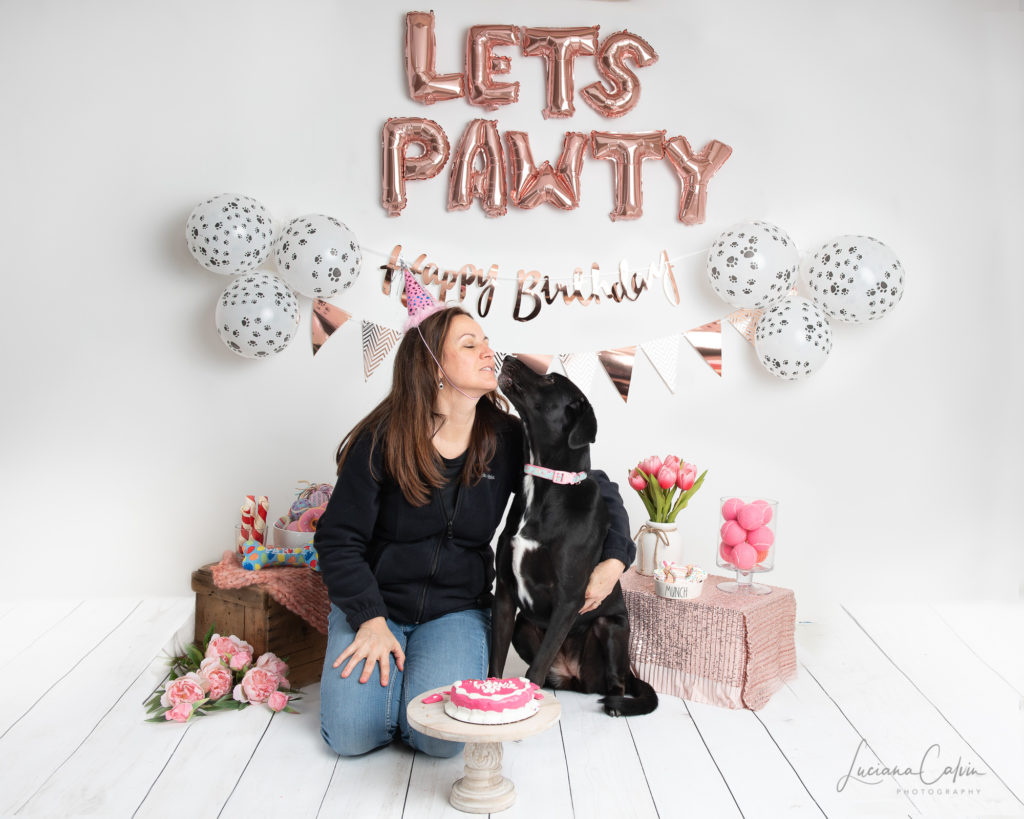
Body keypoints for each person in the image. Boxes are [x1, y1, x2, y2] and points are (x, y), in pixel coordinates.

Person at [316, 274, 635, 758]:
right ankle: (387, 673)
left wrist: (614, 560)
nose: (489, 351)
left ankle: (418, 673)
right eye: (470, 344)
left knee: (441, 742)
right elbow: (338, 539)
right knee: (353, 737)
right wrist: (368, 618)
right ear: (434, 365)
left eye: (486, 340)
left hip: (457, 611)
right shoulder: (384, 438)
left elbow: (593, 485)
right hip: (375, 605)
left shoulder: (506, 436)